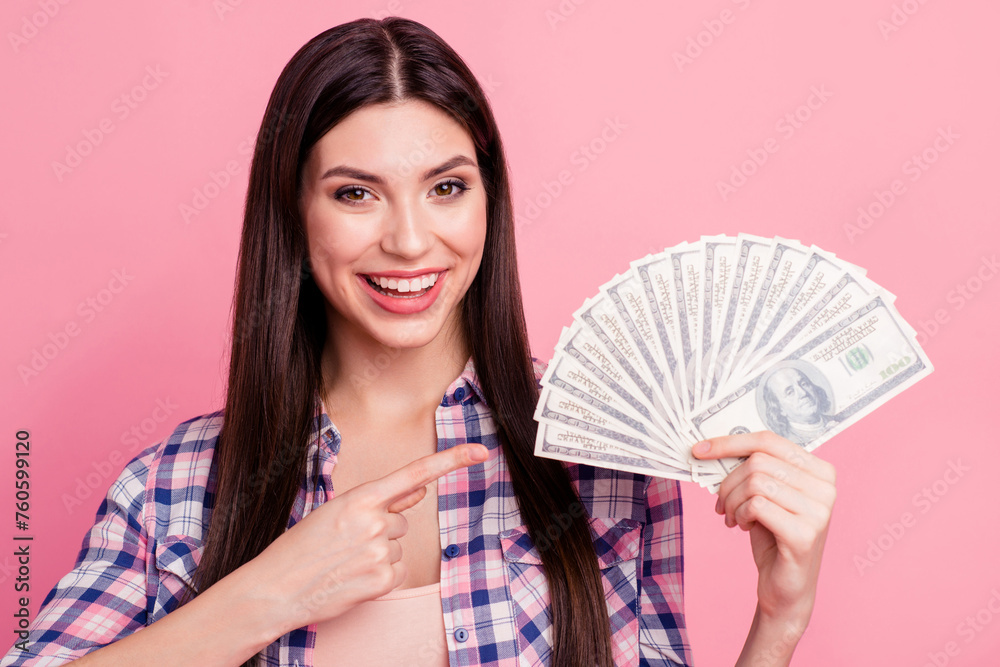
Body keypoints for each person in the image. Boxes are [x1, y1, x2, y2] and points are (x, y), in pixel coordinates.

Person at [2, 17, 836, 667]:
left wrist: (779, 619)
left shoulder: (601, 453)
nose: (410, 241)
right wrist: (268, 593)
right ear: (293, 211)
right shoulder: (173, 488)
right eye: (356, 192)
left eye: (445, 187)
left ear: (488, 201)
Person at [760, 364, 839, 445]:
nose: (803, 393)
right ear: (780, 409)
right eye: (790, 392)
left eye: (804, 384)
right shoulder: (788, 444)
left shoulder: (839, 419)